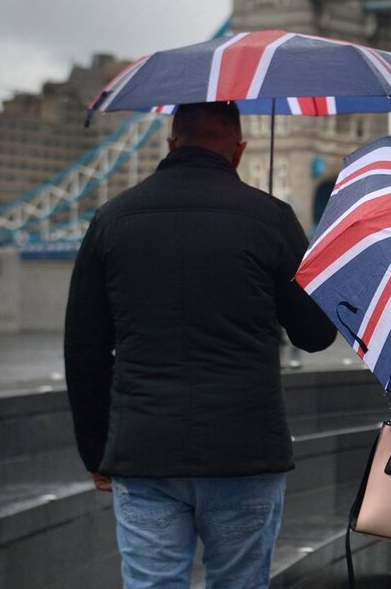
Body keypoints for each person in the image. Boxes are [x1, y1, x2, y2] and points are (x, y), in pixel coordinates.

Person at [64, 101, 337, 589]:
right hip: (244, 451)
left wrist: (95, 452)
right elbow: (315, 336)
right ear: (238, 151)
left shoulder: (112, 219)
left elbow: (84, 351)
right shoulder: (271, 217)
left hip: (143, 450)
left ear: (171, 144)